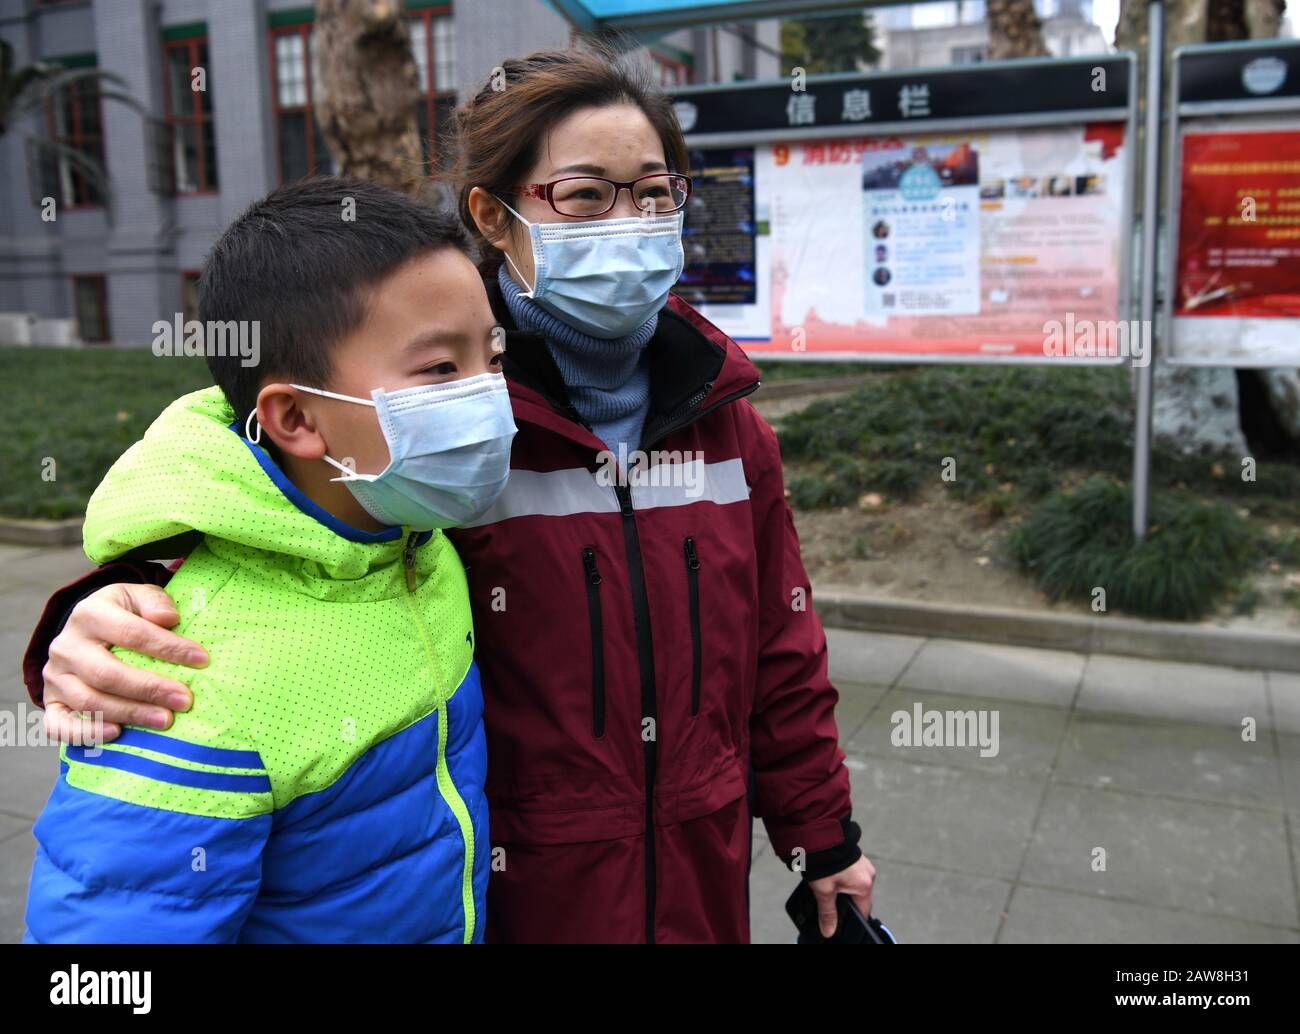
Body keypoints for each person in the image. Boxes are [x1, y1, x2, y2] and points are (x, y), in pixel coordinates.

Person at [27, 46, 875, 943]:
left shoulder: (725, 419)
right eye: (585, 195)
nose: (630, 220)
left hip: (701, 888)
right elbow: (260, 489)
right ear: (494, 217)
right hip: (506, 894)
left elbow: (781, 651)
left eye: (656, 192)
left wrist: (823, 837)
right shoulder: (435, 417)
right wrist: (105, 606)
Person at [25, 178, 512, 943]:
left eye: (492, 356)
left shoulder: (412, 541)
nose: (490, 400)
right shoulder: (179, 675)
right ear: (294, 416)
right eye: (441, 371)